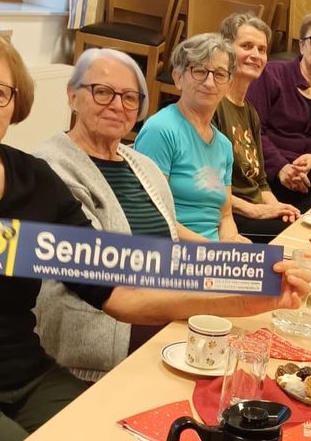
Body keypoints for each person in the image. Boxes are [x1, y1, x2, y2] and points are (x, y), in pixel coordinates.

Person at [0, 23, 309, 441]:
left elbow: (119, 292)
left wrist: (241, 300)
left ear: (15, 105)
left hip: (27, 378)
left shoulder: (33, 180)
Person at [33, 48, 289, 382]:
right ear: (72, 96)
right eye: (102, 92)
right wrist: (227, 295)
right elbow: (112, 280)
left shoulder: (142, 166)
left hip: (166, 316)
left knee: (266, 355)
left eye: (129, 98)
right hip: (107, 340)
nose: (117, 105)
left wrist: (243, 267)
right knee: (236, 373)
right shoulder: (52, 169)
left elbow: (172, 246)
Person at [135, 33, 248, 242]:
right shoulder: (160, 130)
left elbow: (225, 215)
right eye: (199, 71)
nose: (209, 82)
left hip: (213, 254)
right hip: (172, 252)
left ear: (229, 84)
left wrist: (231, 243)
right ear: (178, 78)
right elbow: (150, 216)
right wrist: (213, 251)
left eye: (220, 74)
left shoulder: (223, 145)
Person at [245, 12, 311, 213]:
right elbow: (253, 130)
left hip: (305, 178)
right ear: (301, 45)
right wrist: (282, 167)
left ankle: (293, 217)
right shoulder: (271, 75)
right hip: (270, 174)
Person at [213, 12, 300, 243]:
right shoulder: (214, 106)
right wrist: (255, 211)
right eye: (247, 46)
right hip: (229, 215)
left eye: (261, 50)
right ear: (226, 49)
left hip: (254, 209)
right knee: (293, 241)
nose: (255, 55)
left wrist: (279, 208)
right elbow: (205, 185)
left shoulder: (250, 111)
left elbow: (260, 180)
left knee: (298, 226)